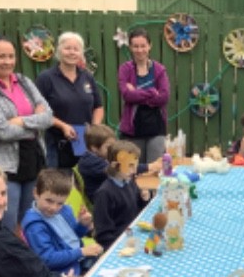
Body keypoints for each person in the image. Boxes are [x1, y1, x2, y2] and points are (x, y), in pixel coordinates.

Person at [0, 35, 53, 233]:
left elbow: (48, 117)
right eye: (1, 56)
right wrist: (35, 120)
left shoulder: (24, 82)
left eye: (11, 56)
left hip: (32, 160)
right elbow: (3, 131)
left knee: (28, 223)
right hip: (1, 167)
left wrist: (21, 121)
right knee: (5, 224)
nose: (7, 62)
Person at [36, 32, 104, 169]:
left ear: (81, 53)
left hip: (84, 142)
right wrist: (63, 126)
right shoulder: (46, 78)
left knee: (85, 179)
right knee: (60, 181)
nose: (72, 52)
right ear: (59, 50)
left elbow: (98, 107)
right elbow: (39, 111)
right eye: (67, 48)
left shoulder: (87, 77)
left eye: (76, 49)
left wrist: (94, 128)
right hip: (58, 144)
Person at [21, 169, 103, 276]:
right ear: (36, 193)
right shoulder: (35, 226)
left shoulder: (65, 210)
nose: (54, 208)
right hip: (63, 271)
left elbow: (74, 236)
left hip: (78, 259)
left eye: (60, 203)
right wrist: (81, 252)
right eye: (49, 201)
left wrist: (82, 225)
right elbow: (47, 259)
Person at [117, 28, 170, 164]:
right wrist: (152, 92)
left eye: (143, 46)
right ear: (130, 47)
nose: (139, 50)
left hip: (156, 129)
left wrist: (136, 92)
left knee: (155, 168)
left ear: (149, 46)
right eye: (135, 46)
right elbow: (127, 95)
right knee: (133, 169)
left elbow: (164, 97)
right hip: (133, 131)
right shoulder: (125, 69)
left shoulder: (159, 70)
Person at [78, 124, 161, 205]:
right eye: (108, 147)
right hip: (103, 200)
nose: (112, 149)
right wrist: (150, 166)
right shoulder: (89, 162)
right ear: (94, 148)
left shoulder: (100, 156)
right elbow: (120, 169)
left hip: (114, 192)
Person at [93, 141, 147, 249]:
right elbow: (103, 234)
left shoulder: (129, 181)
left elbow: (136, 208)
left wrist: (144, 198)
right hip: (118, 244)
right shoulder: (104, 193)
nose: (135, 171)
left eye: (135, 165)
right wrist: (123, 245)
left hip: (133, 233)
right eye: (130, 165)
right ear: (115, 165)